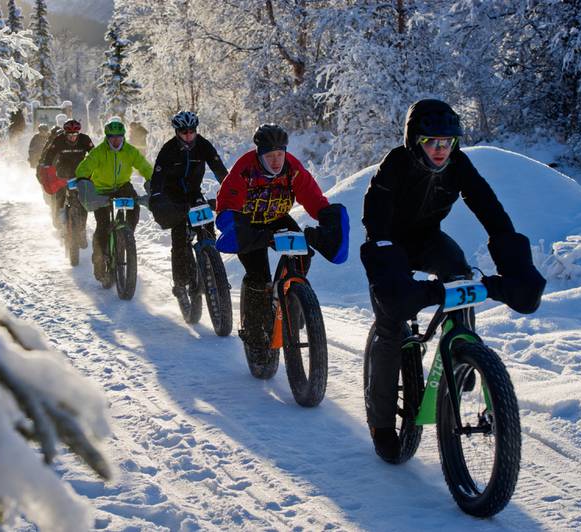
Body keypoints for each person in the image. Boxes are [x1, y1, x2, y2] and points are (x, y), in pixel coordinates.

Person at [360, 99, 546, 462]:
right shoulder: (394, 165)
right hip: (389, 242)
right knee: (390, 326)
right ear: (415, 141)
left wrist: (514, 260)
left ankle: (461, 355)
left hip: (428, 238)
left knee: (459, 275)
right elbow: (376, 218)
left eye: (449, 142)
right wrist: (389, 275)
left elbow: (490, 209)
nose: (442, 149)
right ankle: (381, 424)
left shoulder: (458, 163)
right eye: (433, 142)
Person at [215, 123, 349, 356]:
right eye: (270, 155)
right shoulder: (244, 169)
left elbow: (313, 198)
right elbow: (226, 206)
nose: (276, 161)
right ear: (259, 155)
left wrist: (328, 219)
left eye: (280, 154)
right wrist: (236, 229)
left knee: (303, 253)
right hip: (248, 223)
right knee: (258, 276)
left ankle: (292, 298)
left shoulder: (292, 169)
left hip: (277, 218)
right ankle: (255, 332)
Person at [149, 111, 229, 310]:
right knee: (180, 241)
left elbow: (221, 171)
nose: (188, 135)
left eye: (192, 131)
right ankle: (181, 284)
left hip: (194, 193)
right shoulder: (168, 150)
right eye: (184, 132)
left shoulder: (203, 145)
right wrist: (157, 200)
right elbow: (157, 181)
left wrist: (230, 190)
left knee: (208, 227)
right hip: (173, 197)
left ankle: (212, 266)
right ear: (177, 132)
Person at [75, 118, 153, 285]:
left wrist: (153, 181)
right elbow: (83, 169)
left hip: (123, 186)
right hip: (102, 189)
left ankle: (126, 236)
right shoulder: (98, 152)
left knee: (135, 207)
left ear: (123, 137)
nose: (116, 140)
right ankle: (99, 260)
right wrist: (84, 183)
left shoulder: (130, 151)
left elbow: (145, 167)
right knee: (102, 226)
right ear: (107, 138)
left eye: (119, 137)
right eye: (112, 137)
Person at [39, 119, 94, 245]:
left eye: (75, 135)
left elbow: (94, 154)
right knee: (60, 195)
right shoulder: (58, 140)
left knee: (83, 201)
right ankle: (60, 221)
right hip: (63, 171)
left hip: (80, 171)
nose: (72, 137)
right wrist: (46, 166)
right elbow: (49, 155)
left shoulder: (85, 139)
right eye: (70, 135)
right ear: (65, 134)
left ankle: (82, 231)